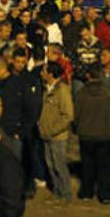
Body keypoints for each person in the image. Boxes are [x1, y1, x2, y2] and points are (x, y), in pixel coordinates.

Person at [73, 63, 110, 204]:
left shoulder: (81, 94)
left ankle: (87, 191)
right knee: (104, 167)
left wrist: (78, 127)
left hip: (86, 134)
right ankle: (104, 194)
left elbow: (77, 115)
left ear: (88, 76)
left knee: (87, 165)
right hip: (104, 134)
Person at [38, 61, 74, 203]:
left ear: (50, 74)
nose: (41, 74)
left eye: (44, 71)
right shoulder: (47, 89)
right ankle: (58, 193)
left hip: (58, 136)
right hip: (47, 134)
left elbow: (68, 116)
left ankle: (65, 195)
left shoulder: (62, 90)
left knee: (59, 166)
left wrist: (52, 130)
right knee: (51, 166)